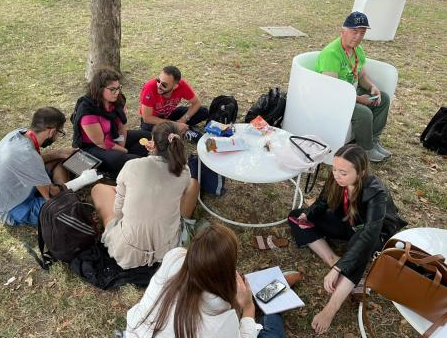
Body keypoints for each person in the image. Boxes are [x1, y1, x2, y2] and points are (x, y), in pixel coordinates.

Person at [288, 144, 407, 335]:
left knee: (361, 246)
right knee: (296, 216)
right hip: (347, 222)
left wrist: (338, 270)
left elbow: (370, 233)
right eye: (334, 169)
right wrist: (308, 215)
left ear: (360, 173)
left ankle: (331, 308)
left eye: (343, 172)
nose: (336, 175)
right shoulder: (337, 179)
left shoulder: (376, 191)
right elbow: (321, 203)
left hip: (374, 232)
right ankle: (333, 259)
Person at [126, 223, 293, 338]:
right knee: (272, 327)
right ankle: (272, 306)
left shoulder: (174, 257)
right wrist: (248, 307)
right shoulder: (221, 319)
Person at [91, 122, 200, 270]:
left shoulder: (132, 165)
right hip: (167, 248)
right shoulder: (184, 171)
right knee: (193, 184)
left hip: (128, 249)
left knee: (99, 189)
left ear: (153, 143)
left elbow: (118, 212)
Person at [0, 107, 101, 226]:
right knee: (68, 210)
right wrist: (84, 179)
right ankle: (66, 195)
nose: (58, 137)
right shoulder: (27, 155)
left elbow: (33, 163)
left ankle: (66, 193)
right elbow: (51, 194)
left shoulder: (19, 134)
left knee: (58, 161)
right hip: (12, 210)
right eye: (60, 132)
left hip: (15, 192)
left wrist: (59, 153)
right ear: (52, 132)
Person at [316, 11, 391, 162]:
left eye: (362, 33)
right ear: (343, 31)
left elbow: (362, 76)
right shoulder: (332, 53)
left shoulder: (358, 50)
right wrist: (358, 99)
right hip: (333, 98)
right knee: (364, 113)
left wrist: (372, 87)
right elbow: (331, 90)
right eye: (354, 31)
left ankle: (373, 140)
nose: (358, 36)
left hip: (350, 91)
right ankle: (365, 149)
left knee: (383, 99)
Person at [72, 68, 151, 179]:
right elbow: (101, 143)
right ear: (100, 89)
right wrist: (124, 151)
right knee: (121, 159)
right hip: (93, 147)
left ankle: (127, 161)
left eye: (118, 88)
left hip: (113, 137)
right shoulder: (88, 111)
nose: (117, 92)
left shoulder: (118, 100)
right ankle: (112, 169)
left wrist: (121, 146)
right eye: (112, 89)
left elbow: (122, 126)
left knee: (147, 136)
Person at [139, 65, 209, 142]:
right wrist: (175, 124)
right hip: (153, 121)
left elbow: (196, 103)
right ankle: (183, 131)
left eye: (164, 85)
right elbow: (147, 118)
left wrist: (183, 120)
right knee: (151, 136)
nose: (159, 85)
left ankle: (177, 129)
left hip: (169, 115)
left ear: (175, 86)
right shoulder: (150, 87)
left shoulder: (182, 85)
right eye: (158, 80)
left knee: (203, 111)